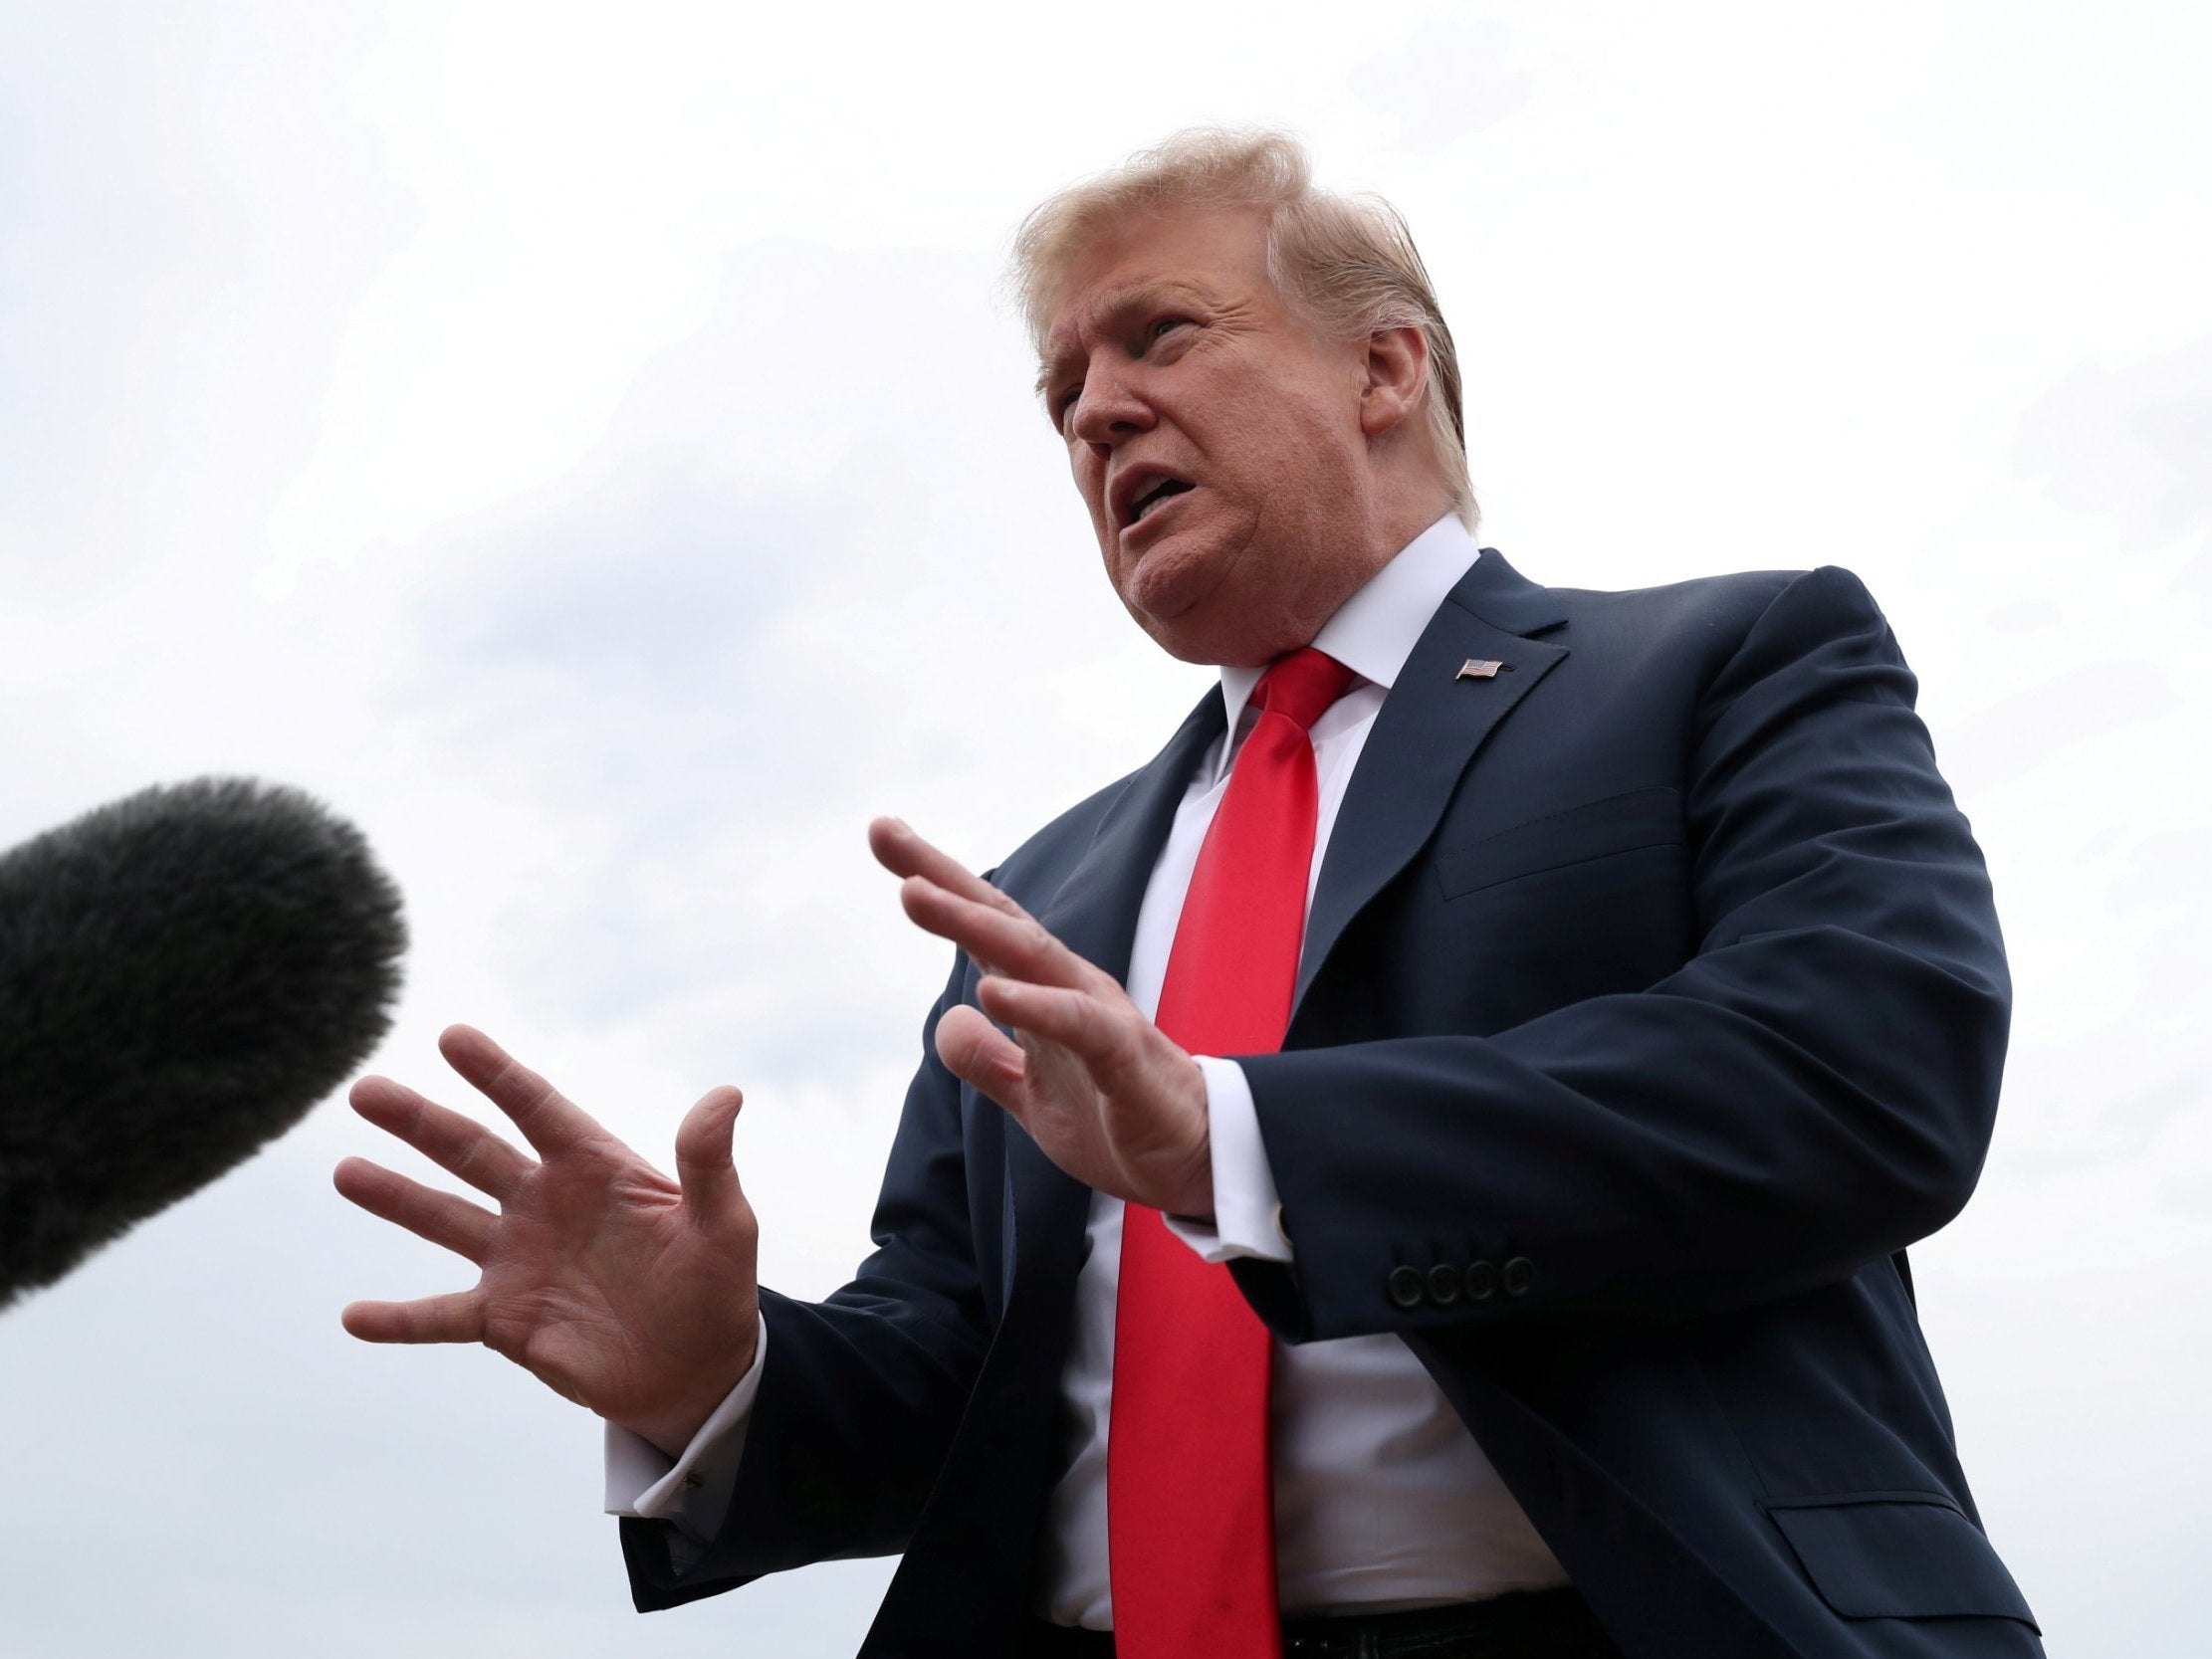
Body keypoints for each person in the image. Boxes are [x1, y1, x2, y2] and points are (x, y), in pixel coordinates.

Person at [337, 130, 2045, 1658]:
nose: (1092, 410)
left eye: (1158, 334)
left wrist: (1237, 1142)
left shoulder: (1723, 662)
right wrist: (715, 1378)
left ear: (1384, 366)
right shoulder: (1038, 897)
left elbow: (1858, 1073)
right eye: (1061, 386)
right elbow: (956, 1378)